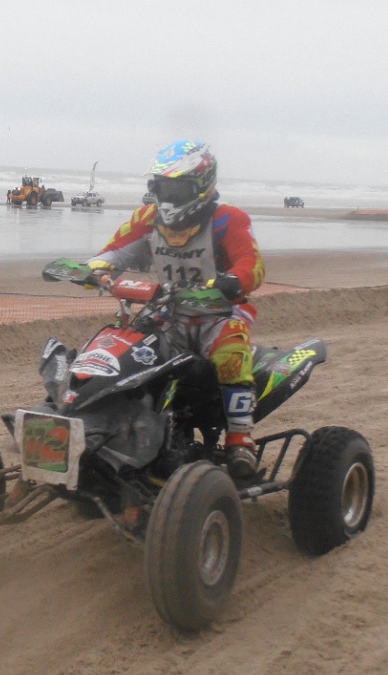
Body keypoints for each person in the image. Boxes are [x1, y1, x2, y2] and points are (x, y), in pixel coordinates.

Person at [81, 139, 266, 480]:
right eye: (163, 187)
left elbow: (252, 264)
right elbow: (116, 251)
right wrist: (93, 268)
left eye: (178, 188)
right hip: (169, 313)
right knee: (131, 353)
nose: (170, 195)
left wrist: (233, 281)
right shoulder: (147, 218)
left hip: (219, 313)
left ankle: (240, 440)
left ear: (202, 184)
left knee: (230, 350)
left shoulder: (228, 220)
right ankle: (125, 431)